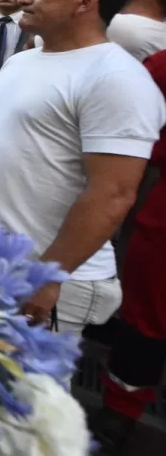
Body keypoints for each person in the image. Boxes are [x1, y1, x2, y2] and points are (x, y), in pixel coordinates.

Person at [0, 0, 166, 334]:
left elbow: (113, 194)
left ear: (86, 0)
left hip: (47, 282)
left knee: (23, 394)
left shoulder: (116, 78)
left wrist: (49, 276)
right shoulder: (23, 61)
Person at [93, 48, 166, 453]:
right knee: (148, 318)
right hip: (161, 222)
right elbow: (137, 136)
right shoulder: (159, 68)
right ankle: (122, 408)